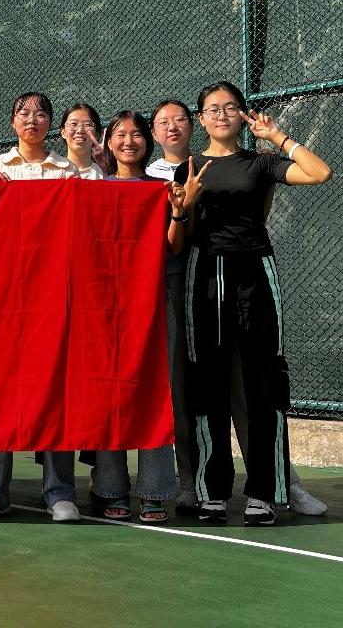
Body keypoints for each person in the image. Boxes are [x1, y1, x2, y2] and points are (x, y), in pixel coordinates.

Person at [151, 98, 328, 518]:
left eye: (230, 107)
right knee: (206, 381)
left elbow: (320, 173)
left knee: (262, 382)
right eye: (212, 109)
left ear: (242, 115)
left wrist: (278, 136)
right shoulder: (188, 168)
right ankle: (212, 490)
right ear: (202, 119)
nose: (222, 115)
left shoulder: (260, 162)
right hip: (204, 274)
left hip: (254, 272)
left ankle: (263, 493)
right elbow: (181, 238)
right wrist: (181, 210)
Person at [0, 92, 83, 523]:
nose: (31, 119)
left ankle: (59, 492)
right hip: (2, 296)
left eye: (39, 114)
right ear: (13, 123)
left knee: (56, 389)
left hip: (54, 295)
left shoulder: (66, 169)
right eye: (23, 113)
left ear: (51, 123)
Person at [93, 110, 193, 523]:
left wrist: (177, 211)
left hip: (154, 300)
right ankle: (110, 488)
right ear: (109, 143)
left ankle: (154, 491)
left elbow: (173, 248)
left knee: (155, 394)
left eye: (136, 134)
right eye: (120, 134)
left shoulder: (160, 189)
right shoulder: (93, 191)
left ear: (146, 141)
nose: (129, 141)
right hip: (104, 306)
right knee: (108, 395)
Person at [59, 103, 105, 179]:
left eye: (87, 125)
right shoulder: (52, 171)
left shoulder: (104, 173)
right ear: (63, 132)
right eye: (73, 124)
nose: (80, 130)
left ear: (96, 134)